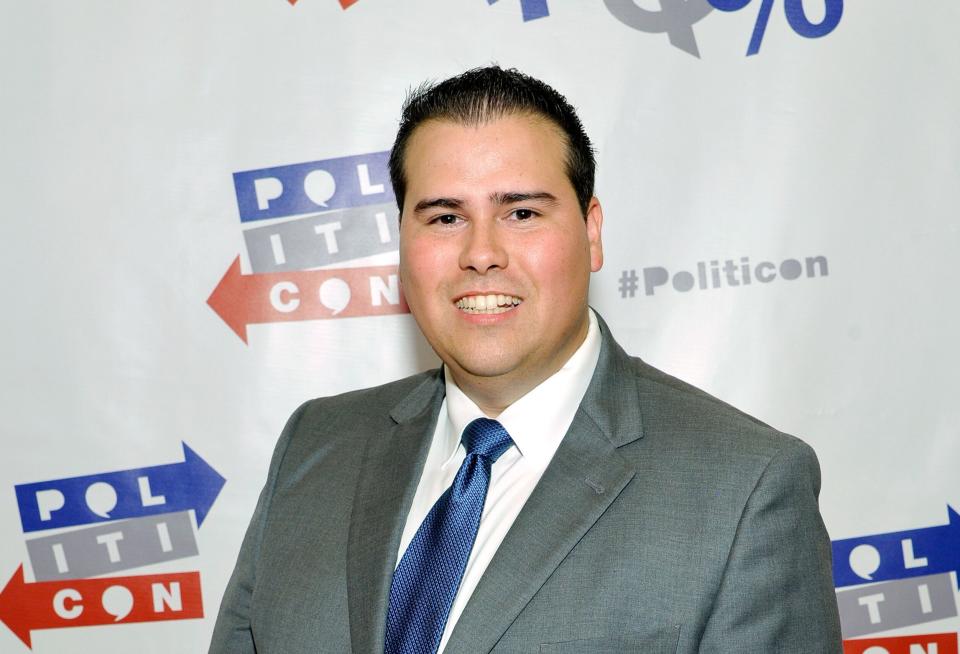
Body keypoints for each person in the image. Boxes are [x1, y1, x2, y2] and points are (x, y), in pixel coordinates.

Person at [209, 66, 843, 654]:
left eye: (521, 212)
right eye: (445, 216)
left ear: (592, 232)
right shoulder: (314, 446)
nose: (481, 252)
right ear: (401, 240)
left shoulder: (745, 489)